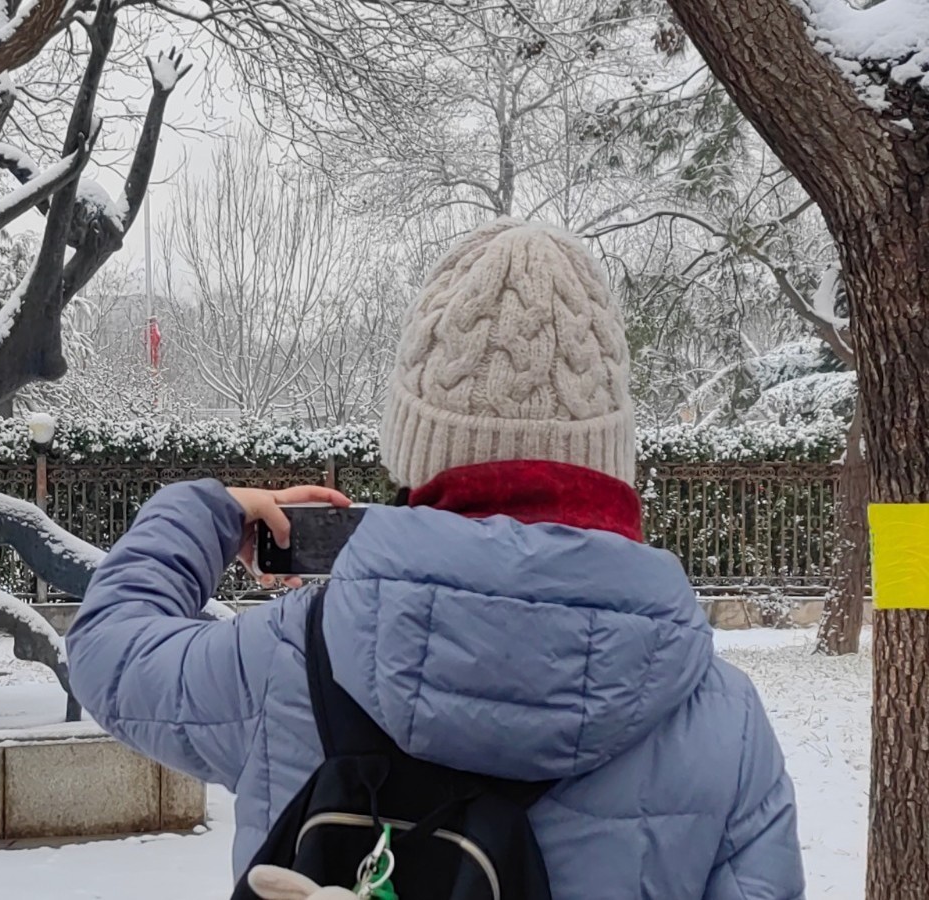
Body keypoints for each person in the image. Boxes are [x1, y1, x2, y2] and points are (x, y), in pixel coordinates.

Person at [66, 218, 803, 899]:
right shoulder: (725, 724)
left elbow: (110, 653)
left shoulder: (288, 657)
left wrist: (208, 512)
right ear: (610, 458)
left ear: (416, 453)